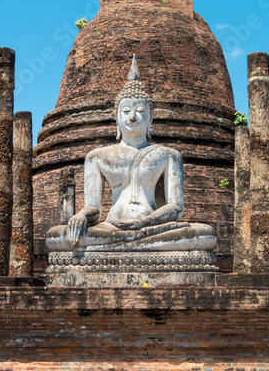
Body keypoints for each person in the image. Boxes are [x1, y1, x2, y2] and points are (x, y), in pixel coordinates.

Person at [45, 56, 216, 253]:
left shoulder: (168, 155)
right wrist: (81, 215)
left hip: (152, 228)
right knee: (58, 236)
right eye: (126, 111)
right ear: (116, 117)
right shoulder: (97, 157)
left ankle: (126, 244)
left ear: (150, 117)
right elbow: (95, 209)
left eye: (140, 111)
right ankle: (130, 244)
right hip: (111, 227)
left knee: (204, 234)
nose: (133, 116)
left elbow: (176, 207)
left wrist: (145, 222)